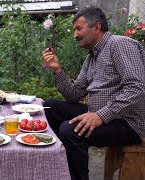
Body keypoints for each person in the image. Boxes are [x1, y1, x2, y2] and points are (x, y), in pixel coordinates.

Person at [41, 7, 144, 180]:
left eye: (79, 29)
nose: (75, 35)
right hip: (99, 113)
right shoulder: (92, 56)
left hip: (128, 122)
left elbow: (137, 87)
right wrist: (57, 70)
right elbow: (74, 95)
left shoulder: (120, 44)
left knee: (70, 130)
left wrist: (101, 116)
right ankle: (61, 171)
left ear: (96, 27)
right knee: (49, 107)